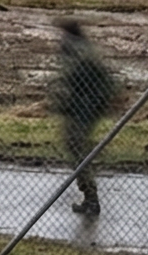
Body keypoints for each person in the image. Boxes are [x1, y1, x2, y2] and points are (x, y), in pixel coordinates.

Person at [49, 19, 118, 218]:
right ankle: (89, 196)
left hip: (84, 110)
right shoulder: (82, 50)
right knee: (77, 149)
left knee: (78, 151)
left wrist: (63, 101)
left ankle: (91, 198)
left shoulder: (78, 52)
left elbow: (72, 80)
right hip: (83, 109)